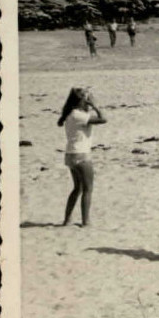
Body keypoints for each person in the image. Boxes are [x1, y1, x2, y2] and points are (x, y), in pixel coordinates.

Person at [58, 87, 107, 226]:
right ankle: (86, 222)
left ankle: (67, 220)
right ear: (80, 101)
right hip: (81, 154)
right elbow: (103, 119)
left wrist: (88, 105)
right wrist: (95, 105)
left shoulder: (70, 114)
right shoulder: (78, 115)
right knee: (88, 189)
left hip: (70, 154)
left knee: (77, 188)